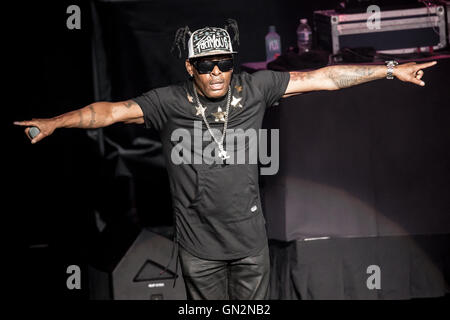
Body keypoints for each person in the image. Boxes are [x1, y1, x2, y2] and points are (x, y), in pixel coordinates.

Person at [14, 20, 437, 300]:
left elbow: (321, 78)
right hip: (199, 250)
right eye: (206, 65)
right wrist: (55, 121)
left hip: (251, 247)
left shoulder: (255, 88)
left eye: (224, 63)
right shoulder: (169, 102)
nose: (216, 71)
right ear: (190, 67)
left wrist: (389, 69)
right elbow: (109, 111)